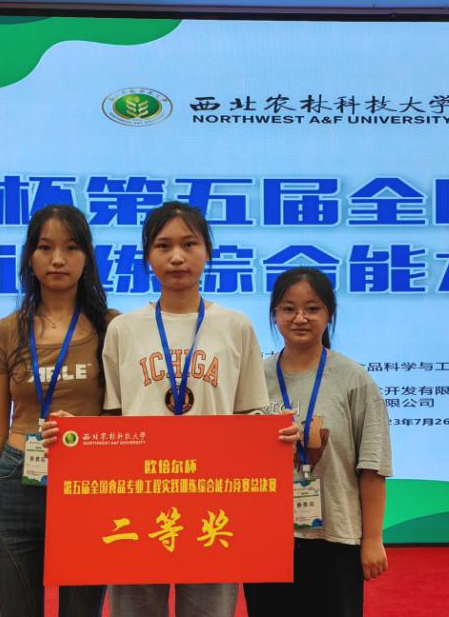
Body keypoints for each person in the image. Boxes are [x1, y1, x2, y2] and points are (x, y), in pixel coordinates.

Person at [102, 201, 298, 617]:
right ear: (147, 256)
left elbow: (249, 415)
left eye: (189, 244)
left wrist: (275, 437)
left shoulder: (235, 326)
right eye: (163, 246)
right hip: (139, 498)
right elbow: (112, 419)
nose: (177, 257)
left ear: (207, 251)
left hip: (215, 498)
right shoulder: (122, 329)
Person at [0, 204, 111, 617]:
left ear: (87, 258)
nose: (58, 259)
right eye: (45, 247)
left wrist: (89, 431)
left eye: (71, 248)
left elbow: (123, 415)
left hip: (88, 484)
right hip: (15, 483)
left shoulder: (111, 328)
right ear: (30, 257)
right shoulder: (6, 331)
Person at [243, 267, 393, 617]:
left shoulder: (355, 379)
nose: (300, 318)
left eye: (312, 308)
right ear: (274, 315)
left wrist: (373, 540)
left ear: (329, 314)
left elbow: (372, 467)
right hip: (266, 538)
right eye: (288, 308)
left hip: (336, 537)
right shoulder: (253, 379)